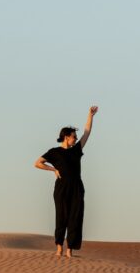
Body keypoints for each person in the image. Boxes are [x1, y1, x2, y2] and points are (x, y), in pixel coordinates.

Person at [34, 105, 98, 258]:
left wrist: (90, 115)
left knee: (75, 218)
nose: (76, 139)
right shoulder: (54, 152)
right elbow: (37, 163)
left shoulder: (76, 150)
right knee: (61, 216)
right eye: (74, 137)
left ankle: (69, 250)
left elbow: (87, 132)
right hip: (62, 188)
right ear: (66, 137)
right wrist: (53, 170)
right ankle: (59, 249)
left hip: (76, 187)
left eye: (76, 137)